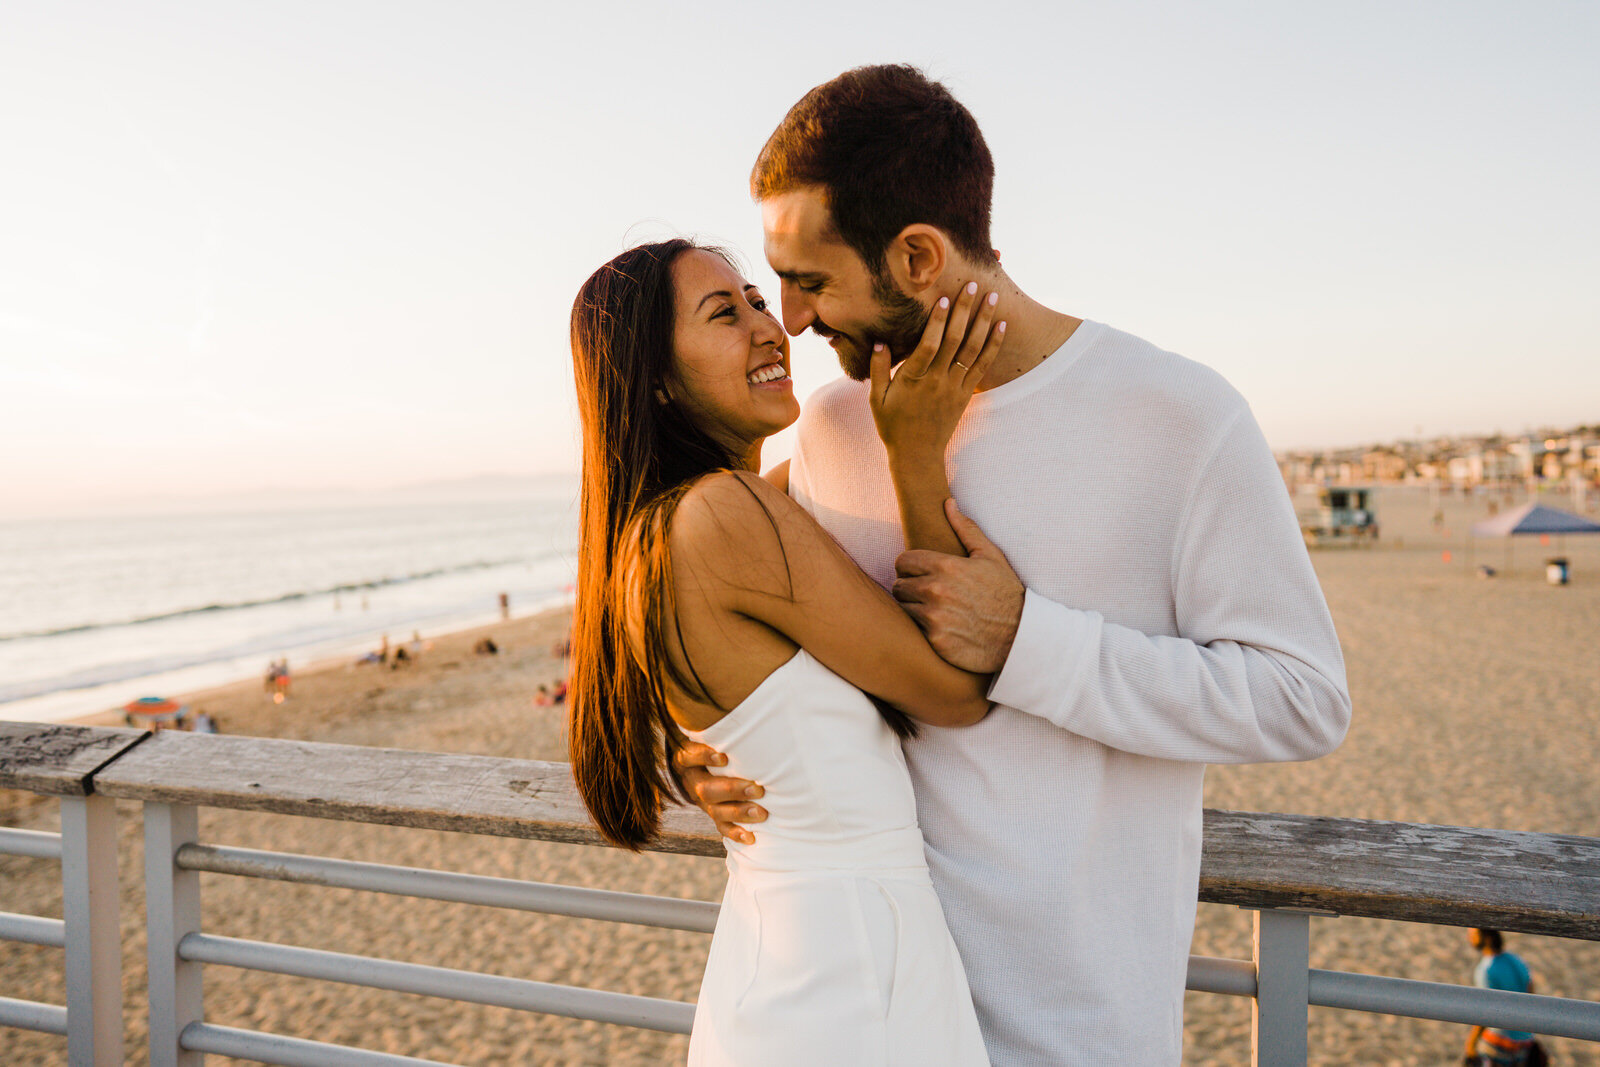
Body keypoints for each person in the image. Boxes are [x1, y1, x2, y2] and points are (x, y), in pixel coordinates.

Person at [676, 64, 1352, 1064]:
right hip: (876, 1010)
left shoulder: (1179, 416)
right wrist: (700, 752)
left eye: (810, 280)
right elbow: (768, 640)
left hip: (1076, 1026)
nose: (795, 317)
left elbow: (1302, 697)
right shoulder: (829, 425)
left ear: (915, 256)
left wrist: (1032, 640)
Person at [568, 239, 1007, 1064]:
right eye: (723, 314)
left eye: (756, 301)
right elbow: (956, 692)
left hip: (785, 954)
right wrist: (914, 449)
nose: (769, 328)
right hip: (849, 973)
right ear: (656, 379)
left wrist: (681, 759)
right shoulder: (724, 515)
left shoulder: (653, 534)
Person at [1465, 928, 1540, 1066]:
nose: (1469, 937)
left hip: (1501, 1039)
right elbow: (1531, 989)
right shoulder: (1515, 960)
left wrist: (1470, 1044)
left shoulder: (1486, 969)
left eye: (1473, 934)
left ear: (1486, 937)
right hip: (1525, 1039)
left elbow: (1485, 1012)